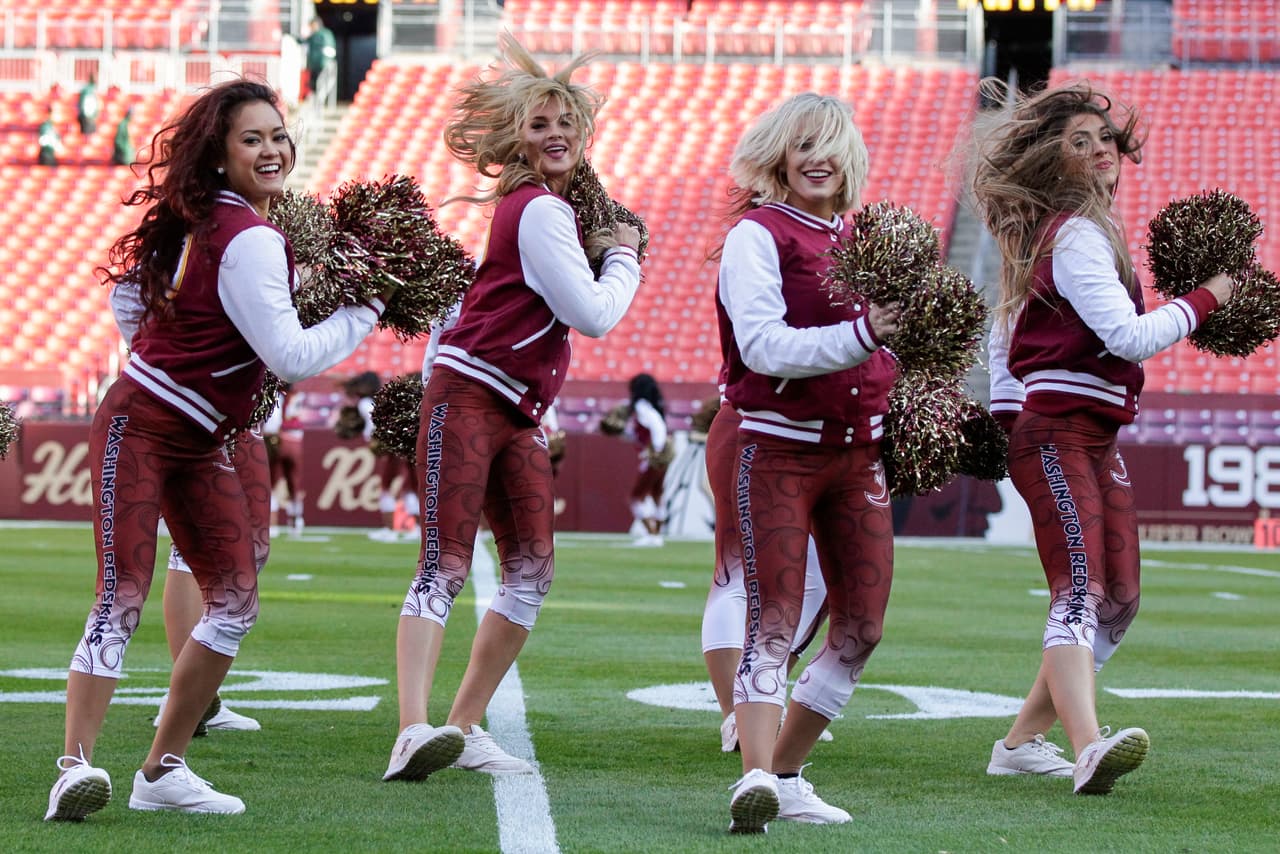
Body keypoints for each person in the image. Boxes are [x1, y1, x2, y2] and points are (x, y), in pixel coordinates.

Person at [44, 77, 392, 822]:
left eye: (278, 135)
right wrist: (368, 305)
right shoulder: (250, 235)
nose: (272, 150)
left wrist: (162, 347)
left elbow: (131, 302)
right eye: (251, 139)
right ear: (218, 155)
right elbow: (292, 356)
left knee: (233, 600)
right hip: (141, 426)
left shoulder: (218, 222)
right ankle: (73, 768)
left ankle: (162, 770)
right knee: (121, 596)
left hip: (201, 438)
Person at [382, 33, 641, 784]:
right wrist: (623, 254)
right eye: (538, 124)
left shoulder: (547, 211)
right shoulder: (537, 211)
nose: (555, 134)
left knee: (530, 570)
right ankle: (410, 728)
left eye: (565, 123)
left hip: (516, 409)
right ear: (515, 140)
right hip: (469, 395)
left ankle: (459, 728)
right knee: (444, 565)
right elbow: (593, 314)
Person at [972, 78, 1235, 795]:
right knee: (1081, 591)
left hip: (1094, 436)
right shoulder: (1077, 233)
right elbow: (1125, 337)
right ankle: (1089, 748)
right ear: (1052, 160)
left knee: (1119, 598)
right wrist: (1209, 299)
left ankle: (1023, 742)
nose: (1098, 152)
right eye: (1077, 143)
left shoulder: (1062, 234)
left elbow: (1003, 336)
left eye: (1105, 140)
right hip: (1059, 432)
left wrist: (1005, 418)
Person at [716, 92, 901, 833]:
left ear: (850, 155)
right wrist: (865, 333)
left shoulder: (865, 240)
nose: (817, 158)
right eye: (802, 145)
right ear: (777, 157)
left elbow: (889, 344)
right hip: (777, 449)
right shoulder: (756, 236)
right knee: (774, 620)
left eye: (829, 144)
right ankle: (752, 778)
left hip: (857, 455)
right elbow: (763, 346)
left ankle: (785, 774)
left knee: (862, 627)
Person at [108, 275, 266, 739]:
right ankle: (191, 700)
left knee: (250, 548)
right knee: (192, 555)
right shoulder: (191, 239)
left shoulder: (239, 236)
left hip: (235, 406)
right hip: (194, 409)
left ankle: (199, 699)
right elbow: (126, 292)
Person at [622, 373, 670, 546]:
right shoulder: (654, 406)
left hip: (653, 457)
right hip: (661, 456)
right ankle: (657, 533)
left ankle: (652, 534)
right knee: (657, 494)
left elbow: (658, 428)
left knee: (636, 497)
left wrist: (656, 451)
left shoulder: (642, 406)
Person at [301, 16, 337, 100]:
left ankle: (317, 104)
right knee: (316, 87)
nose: (311, 28)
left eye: (311, 26)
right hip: (319, 65)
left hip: (321, 65)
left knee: (318, 86)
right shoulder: (324, 34)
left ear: (316, 24)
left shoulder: (321, 34)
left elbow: (304, 41)